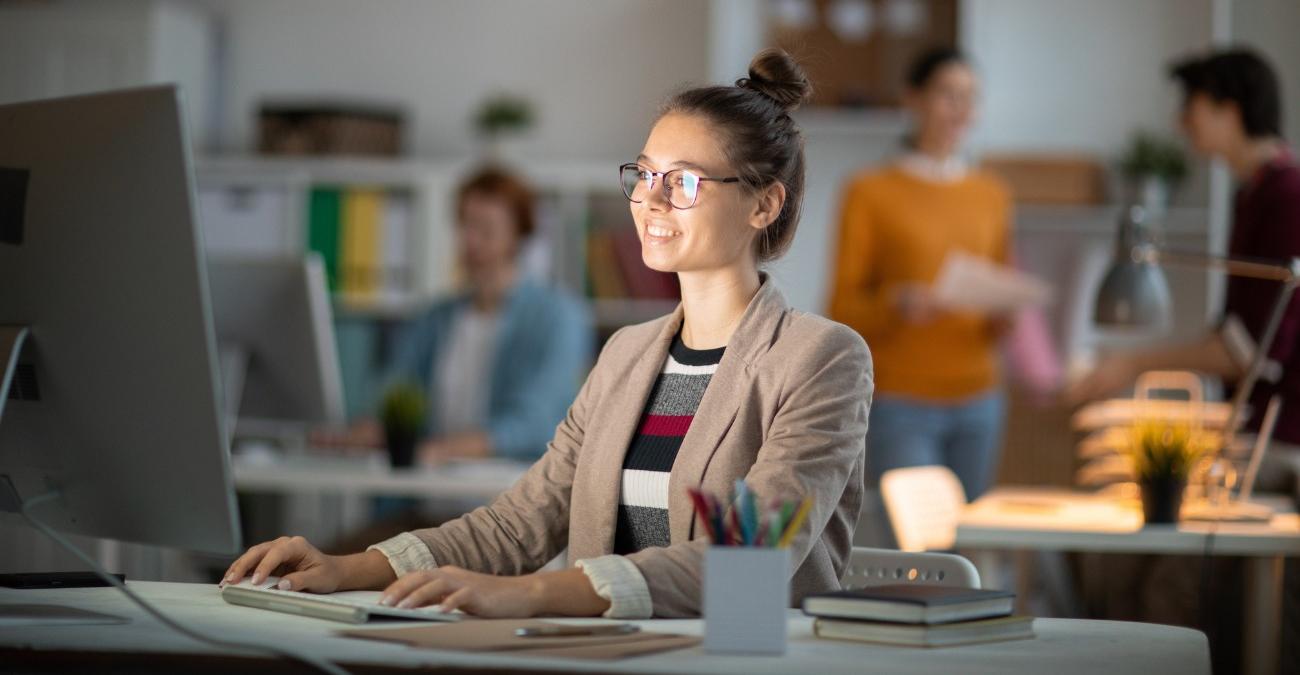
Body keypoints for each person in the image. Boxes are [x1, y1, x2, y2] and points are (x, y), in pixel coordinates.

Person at [221, 48, 873, 619]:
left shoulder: (820, 359)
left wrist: (532, 593)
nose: (649, 201)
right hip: (601, 654)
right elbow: (519, 521)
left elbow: (745, 562)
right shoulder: (627, 354)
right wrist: (347, 567)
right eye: (644, 175)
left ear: (763, 204)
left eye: (683, 183)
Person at [1069, 48, 1300, 490]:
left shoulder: (1286, 196)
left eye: (1190, 106)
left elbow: (1248, 349)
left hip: (1281, 440)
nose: (1181, 122)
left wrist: (1131, 365)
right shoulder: (1252, 193)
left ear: (1227, 109)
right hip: (1256, 428)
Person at [828, 47, 1013, 504]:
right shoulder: (870, 191)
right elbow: (841, 308)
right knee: (921, 552)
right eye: (949, 95)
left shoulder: (991, 194)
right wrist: (897, 304)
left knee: (971, 548)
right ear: (913, 100)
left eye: (971, 97)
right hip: (901, 402)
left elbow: (997, 295)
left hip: (980, 399)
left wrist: (1005, 315)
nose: (962, 110)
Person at [330, 167, 592, 465]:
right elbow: (397, 391)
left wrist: (443, 450)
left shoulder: (559, 317)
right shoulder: (434, 318)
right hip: (427, 495)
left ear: (518, 234)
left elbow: (536, 421)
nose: (470, 241)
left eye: (485, 229)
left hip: (509, 498)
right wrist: (372, 429)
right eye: (464, 225)